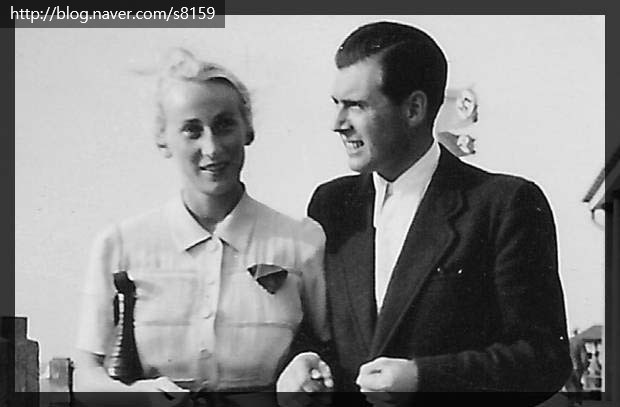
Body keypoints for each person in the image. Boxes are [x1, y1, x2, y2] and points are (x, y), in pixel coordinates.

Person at [278, 21, 571, 405]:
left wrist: (423, 378)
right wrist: (303, 360)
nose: (337, 124)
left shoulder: (504, 204)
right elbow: (322, 331)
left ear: (414, 109)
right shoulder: (331, 204)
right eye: (337, 103)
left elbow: (544, 359)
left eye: (357, 105)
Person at [74, 48, 329, 406]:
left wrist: (307, 369)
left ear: (248, 129)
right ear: (163, 138)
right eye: (192, 130)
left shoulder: (302, 242)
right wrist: (137, 399)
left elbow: (332, 350)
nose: (212, 147)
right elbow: (86, 373)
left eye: (224, 125)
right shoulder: (119, 244)